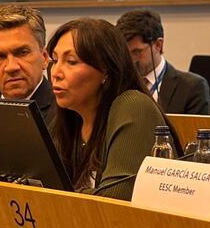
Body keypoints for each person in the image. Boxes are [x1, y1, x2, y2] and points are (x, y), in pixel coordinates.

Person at [48, 17, 176, 201]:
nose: (56, 73)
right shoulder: (70, 119)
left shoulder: (134, 106)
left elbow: (114, 199)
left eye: (71, 61)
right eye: (54, 60)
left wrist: (54, 192)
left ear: (106, 70)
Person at [0, 4, 56, 124]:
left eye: (22, 53)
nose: (11, 67)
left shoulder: (65, 113)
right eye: (0, 56)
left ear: (45, 58)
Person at [115, 9, 209, 115]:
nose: (131, 60)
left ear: (158, 45)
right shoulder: (115, 84)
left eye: (137, 52)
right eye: (126, 53)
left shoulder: (191, 88)